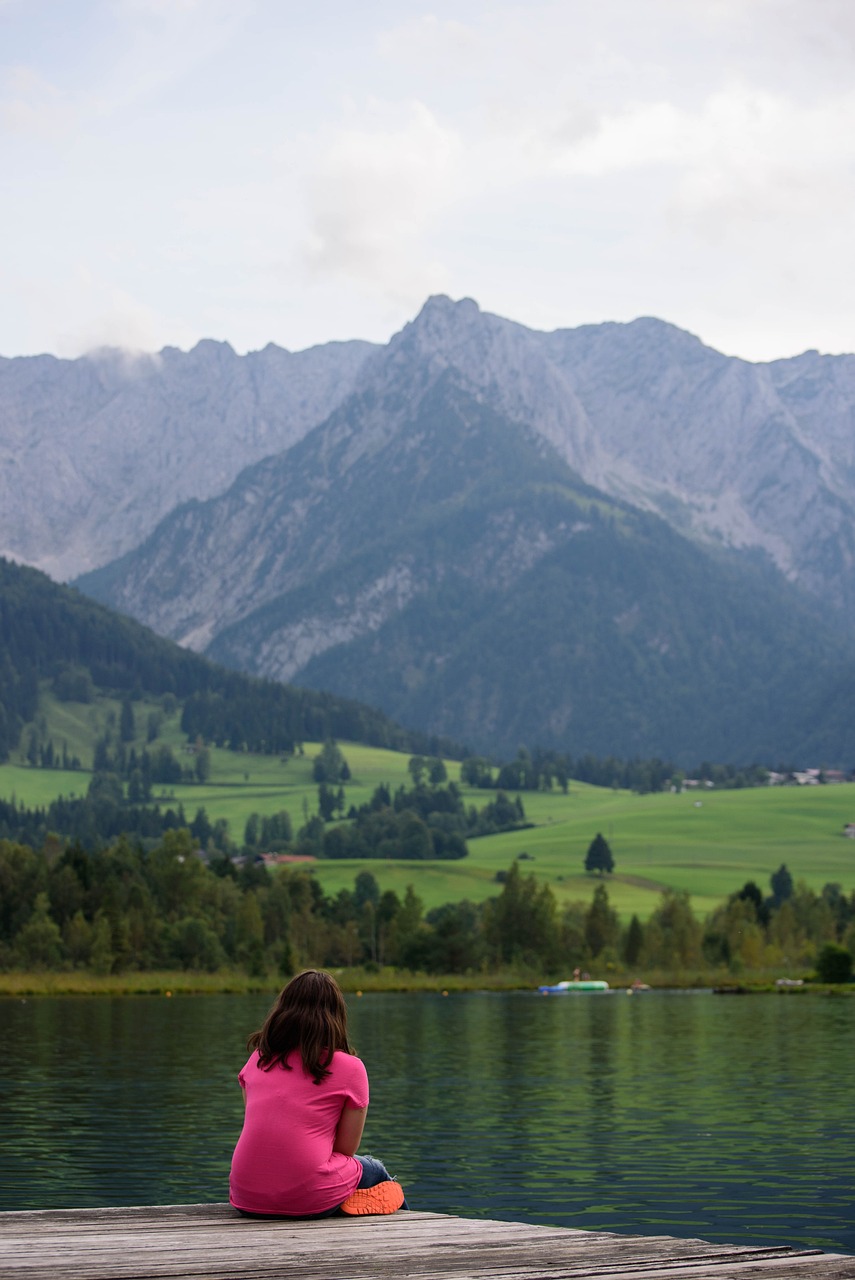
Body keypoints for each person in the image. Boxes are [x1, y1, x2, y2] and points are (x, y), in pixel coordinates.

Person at [229, 969, 406, 1218]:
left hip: (245, 1194)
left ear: (282, 1011)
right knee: (374, 1169)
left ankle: (334, 1196)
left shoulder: (258, 1059)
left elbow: (262, 1128)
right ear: (336, 1016)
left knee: (328, 1168)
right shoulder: (350, 1067)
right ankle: (405, 1226)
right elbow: (345, 1150)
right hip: (306, 1195)